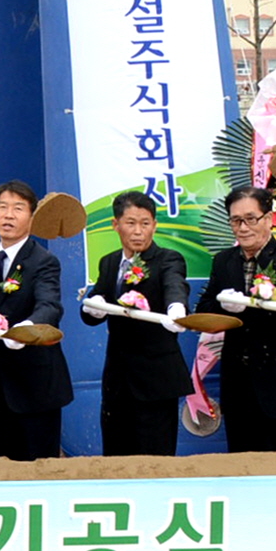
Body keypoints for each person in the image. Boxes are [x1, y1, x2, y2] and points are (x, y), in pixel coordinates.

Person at [196, 185, 276, 452]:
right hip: (239, 388)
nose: (243, 227)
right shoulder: (224, 261)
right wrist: (225, 306)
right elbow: (204, 307)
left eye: (250, 219)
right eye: (235, 220)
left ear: (269, 219)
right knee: (242, 470)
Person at [0, 180, 73, 461]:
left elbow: (50, 306)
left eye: (18, 208)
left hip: (36, 385)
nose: (8, 215)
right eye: (2, 207)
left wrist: (25, 331)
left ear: (31, 217)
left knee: (38, 467)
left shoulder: (44, 261)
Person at [78, 191, 191, 457]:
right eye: (130, 223)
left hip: (156, 381)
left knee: (156, 460)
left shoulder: (168, 259)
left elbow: (175, 284)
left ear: (155, 224)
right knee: (116, 457)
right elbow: (96, 306)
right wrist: (93, 309)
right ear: (115, 225)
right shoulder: (109, 262)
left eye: (145, 223)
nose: (138, 231)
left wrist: (177, 308)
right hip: (117, 381)